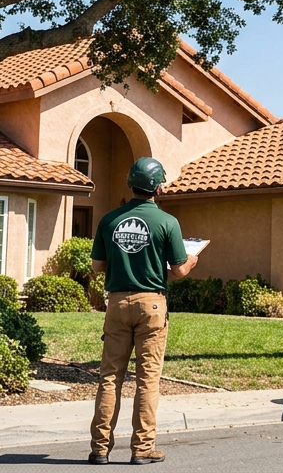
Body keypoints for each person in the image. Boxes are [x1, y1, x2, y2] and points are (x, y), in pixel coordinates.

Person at [88, 157, 198, 465]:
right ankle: (142, 448)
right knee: (148, 379)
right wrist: (192, 261)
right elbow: (177, 270)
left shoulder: (109, 220)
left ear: (131, 183)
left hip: (117, 304)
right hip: (151, 304)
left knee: (110, 377)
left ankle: (99, 448)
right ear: (159, 186)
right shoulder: (167, 222)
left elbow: (97, 266)